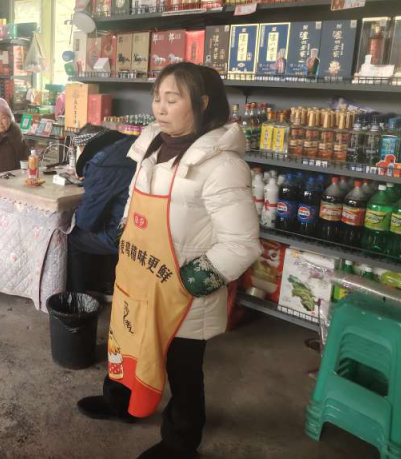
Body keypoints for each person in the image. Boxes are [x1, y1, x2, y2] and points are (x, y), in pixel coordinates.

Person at [77, 63, 260, 459]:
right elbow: (134, 200)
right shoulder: (149, 145)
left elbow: (241, 243)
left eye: (172, 99)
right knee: (124, 342)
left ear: (203, 103)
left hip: (183, 293)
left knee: (183, 371)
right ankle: (120, 402)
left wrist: (189, 282)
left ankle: (180, 443)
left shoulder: (223, 166)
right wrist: (124, 232)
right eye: (157, 98)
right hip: (137, 279)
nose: (159, 108)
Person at [66, 125, 136, 295]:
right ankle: (106, 282)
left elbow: (87, 221)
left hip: (123, 234)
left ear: (84, 146)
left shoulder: (102, 163)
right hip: (145, 225)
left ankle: (77, 297)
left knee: (72, 236)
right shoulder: (130, 144)